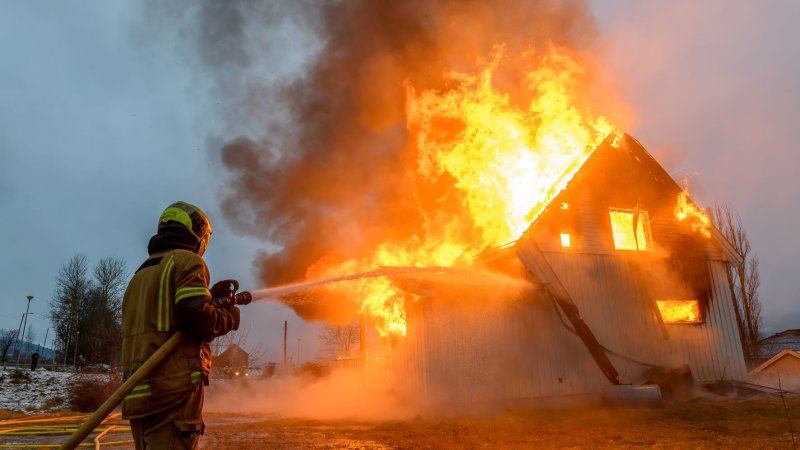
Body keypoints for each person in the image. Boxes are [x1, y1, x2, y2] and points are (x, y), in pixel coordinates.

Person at [122, 201, 240, 450]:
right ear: (198, 234)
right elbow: (195, 318)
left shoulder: (141, 274)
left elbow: (171, 315)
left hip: (138, 389)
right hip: (173, 387)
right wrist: (229, 318)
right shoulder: (188, 262)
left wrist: (208, 295)